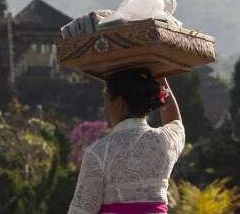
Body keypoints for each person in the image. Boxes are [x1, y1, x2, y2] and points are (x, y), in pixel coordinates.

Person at [68, 68, 185, 214]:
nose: (105, 107)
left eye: (106, 99)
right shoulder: (165, 141)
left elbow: (82, 210)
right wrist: (159, 74)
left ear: (119, 103)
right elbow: (175, 121)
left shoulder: (99, 152)